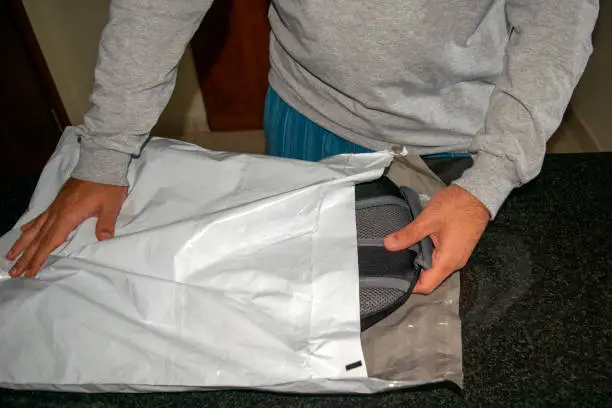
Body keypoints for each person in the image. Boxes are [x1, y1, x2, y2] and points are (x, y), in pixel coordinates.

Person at [6, 0, 599, 293]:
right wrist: (106, 150)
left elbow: (555, 25)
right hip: (305, 112)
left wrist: (491, 177)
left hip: (463, 139)